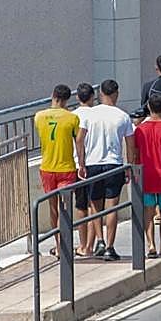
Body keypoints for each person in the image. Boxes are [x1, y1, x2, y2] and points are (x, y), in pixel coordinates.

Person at [79, 79, 135, 262]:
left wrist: (81, 162)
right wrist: (130, 166)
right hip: (114, 164)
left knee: (95, 205)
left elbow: (80, 139)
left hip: (93, 163)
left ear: (101, 93)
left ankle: (100, 241)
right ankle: (110, 247)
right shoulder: (123, 116)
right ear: (116, 94)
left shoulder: (90, 114)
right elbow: (130, 145)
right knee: (112, 207)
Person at [33, 85, 84, 258]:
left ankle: (58, 244)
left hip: (47, 168)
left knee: (52, 207)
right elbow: (79, 143)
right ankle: (66, 242)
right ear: (66, 100)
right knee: (66, 207)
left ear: (53, 96)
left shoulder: (39, 117)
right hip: (66, 168)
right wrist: (82, 165)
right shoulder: (72, 118)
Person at [134, 94, 161, 257]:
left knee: (148, 211)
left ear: (148, 107)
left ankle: (151, 245)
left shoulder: (140, 130)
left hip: (146, 176)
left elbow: (135, 154)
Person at [72, 82, 99, 256]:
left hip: (76, 165)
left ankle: (83, 245)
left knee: (80, 206)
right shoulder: (97, 115)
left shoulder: (72, 116)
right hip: (95, 163)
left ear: (77, 97)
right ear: (92, 97)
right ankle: (91, 244)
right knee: (94, 205)